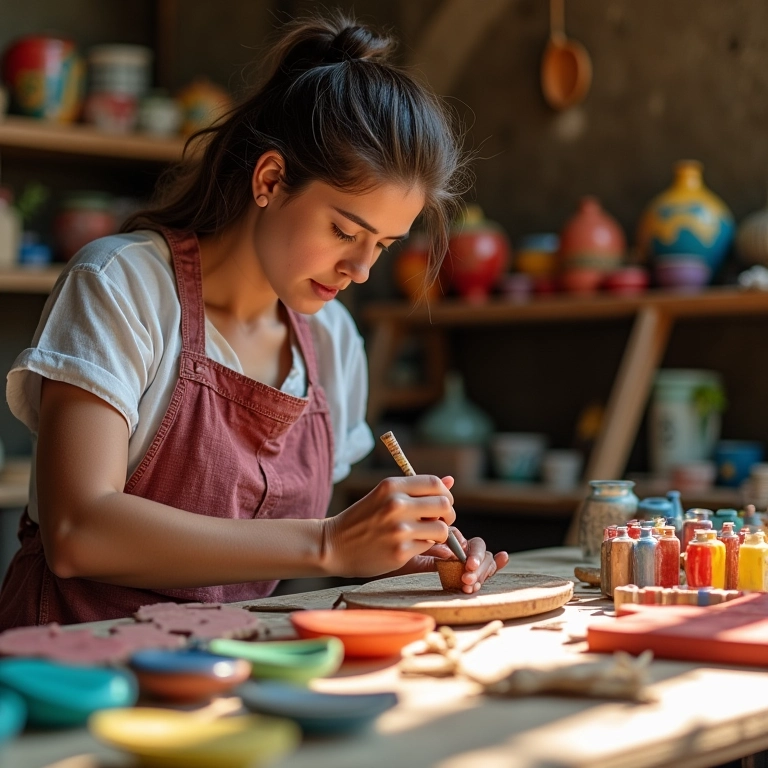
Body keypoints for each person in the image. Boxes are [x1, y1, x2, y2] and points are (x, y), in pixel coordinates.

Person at [0, 12, 508, 630]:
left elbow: (300, 548)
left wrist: (404, 554)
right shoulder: (123, 286)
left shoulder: (330, 341)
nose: (361, 269)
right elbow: (77, 530)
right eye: (344, 231)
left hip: (230, 667)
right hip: (72, 669)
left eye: (383, 245)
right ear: (269, 179)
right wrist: (328, 543)